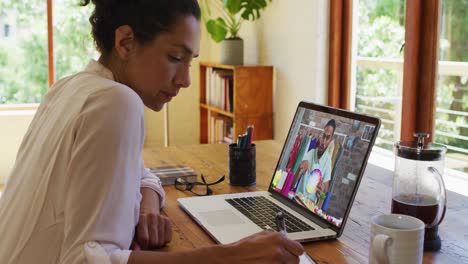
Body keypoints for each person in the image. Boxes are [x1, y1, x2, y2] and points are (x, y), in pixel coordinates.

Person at [0, 1, 304, 263]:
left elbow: (140, 171)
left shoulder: (69, 87)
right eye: (175, 58)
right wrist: (233, 256)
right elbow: (85, 260)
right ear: (126, 42)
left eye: (190, 61)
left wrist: (147, 206)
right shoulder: (116, 102)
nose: (185, 80)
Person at [295, 119, 336, 204]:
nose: (323, 142)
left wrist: (321, 192)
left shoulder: (328, 161)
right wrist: (299, 169)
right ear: (321, 136)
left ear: (331, 140)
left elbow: (323, 195)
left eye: (327, 138)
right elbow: (292, 184)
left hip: (310, 206)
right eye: (323, 136)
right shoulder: (310, 153)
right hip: (297, 199)